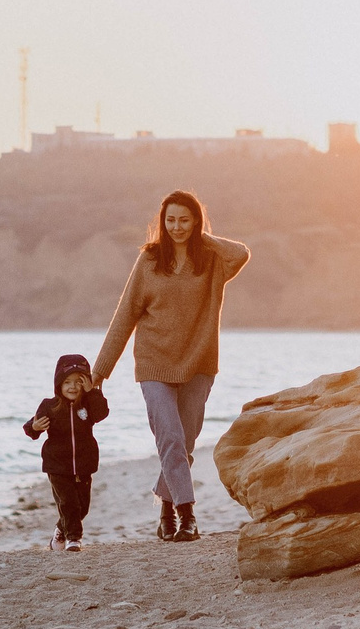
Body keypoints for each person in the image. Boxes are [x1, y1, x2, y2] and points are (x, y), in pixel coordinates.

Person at [90, 189, 250, 543]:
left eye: (185, 219)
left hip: (199, 362)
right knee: (171, 439)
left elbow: (241, 253)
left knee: (184, 443)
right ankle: (187, 515)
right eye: (170, 220)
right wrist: (101, 369)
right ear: (161, 223)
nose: (177, 227)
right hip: (154, 362)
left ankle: (164, 509)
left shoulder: (212, 261)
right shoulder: (149, 260)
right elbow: (126, 314)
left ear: (196, 221)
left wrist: (201, 237)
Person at [23, 353, 111, 551]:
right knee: (68, 503)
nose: (72, 387)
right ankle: (74, 539)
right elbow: (30, 427)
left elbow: (101, 413)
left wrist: (92, 392)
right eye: (67, 382)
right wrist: (35, 427)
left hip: (84, 464)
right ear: (58, 385)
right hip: (57, 465)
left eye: (78, 382)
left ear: (85, 383)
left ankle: (60, 531)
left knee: (82, 507)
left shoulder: (88, 404)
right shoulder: (49, 405)